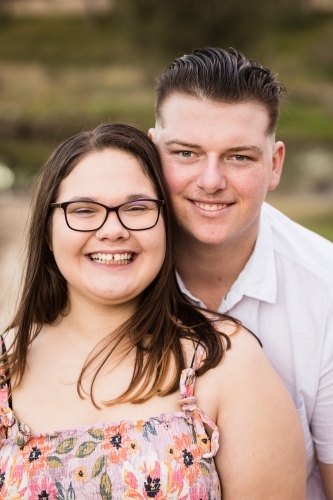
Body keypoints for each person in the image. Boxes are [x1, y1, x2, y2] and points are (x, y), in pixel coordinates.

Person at [0, 123, 305, 499]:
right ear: (48, 231)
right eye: (83, 210)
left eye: (137, 207)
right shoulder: (5, 366)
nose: (112, 230)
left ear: (166, 224)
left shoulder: (225, 362)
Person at [148, 47, 333, 500]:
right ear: (151, 152)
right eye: (186, 153)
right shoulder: (106, 270)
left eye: (239, 157)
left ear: (274, 164)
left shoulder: (326, 290)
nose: (211, 181)